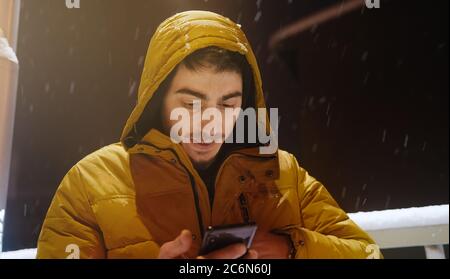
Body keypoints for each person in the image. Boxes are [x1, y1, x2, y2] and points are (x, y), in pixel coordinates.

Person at [37, 10, 379, 259]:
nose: (209, 123)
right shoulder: (89, 184)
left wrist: (288, 248)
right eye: (191, 104)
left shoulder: (284, 174)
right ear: (158, 103)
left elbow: (367, 255)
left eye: (228, 104)